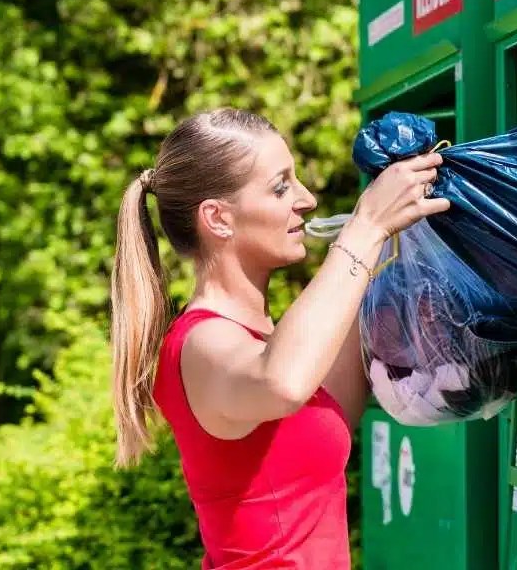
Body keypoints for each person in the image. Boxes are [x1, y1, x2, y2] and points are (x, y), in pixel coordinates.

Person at [110, 108, 448, 569]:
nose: (307, 199)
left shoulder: (265, 339)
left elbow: (334, 406)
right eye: (280, 186)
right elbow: (283, 383)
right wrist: (365, 230)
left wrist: (388, 248)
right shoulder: (200, 345)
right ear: (218, 218)